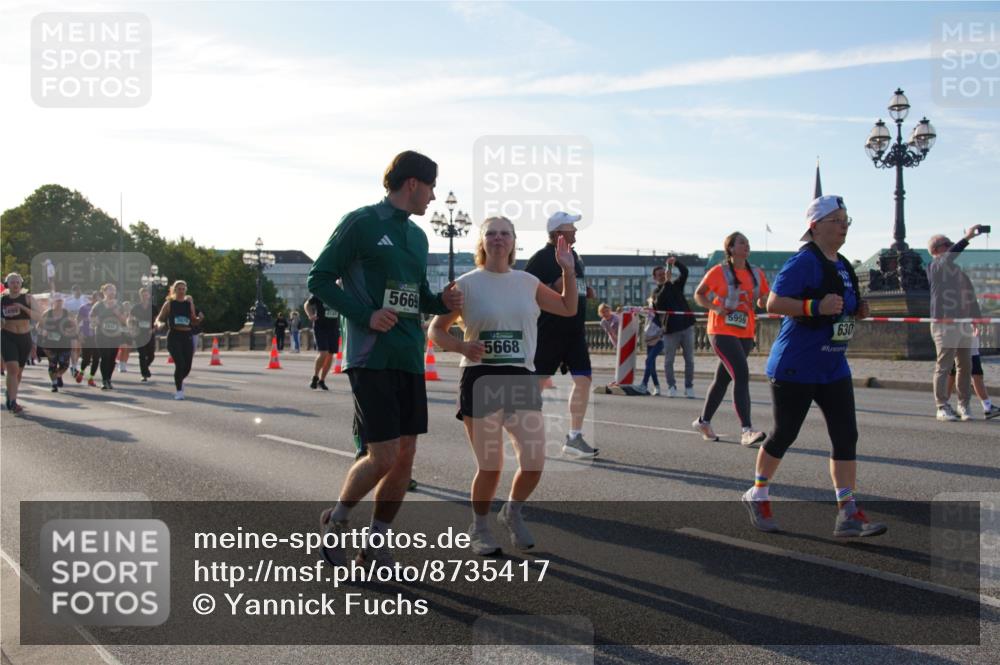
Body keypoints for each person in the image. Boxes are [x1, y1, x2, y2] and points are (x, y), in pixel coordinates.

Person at [310, 150, 463, 567]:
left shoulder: (417, 236)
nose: (433, 197)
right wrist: (366, 315)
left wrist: (441, 300)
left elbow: (415, 297)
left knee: (406, 455)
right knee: (383, 455)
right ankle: (337, 519)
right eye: (431, 187)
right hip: (370, 354)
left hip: (409, 354)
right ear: (413, 183)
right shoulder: (361, 222)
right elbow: (319, 278)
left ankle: (377, 541)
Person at [429, 216, 577, 554]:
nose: (498, 238)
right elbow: (435, 330)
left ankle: (511, 511)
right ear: (482, 242)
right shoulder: (465, 284)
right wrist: (461, 346)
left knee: (534, 461)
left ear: (513, 242)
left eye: (505, 233)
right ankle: (479, 527)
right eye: (491, 233)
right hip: (481, 378)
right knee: (491, 464)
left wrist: (567, 270)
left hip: (520, 377)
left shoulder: (527, 282)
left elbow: (568, 308)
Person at [742, 194, 886, 538]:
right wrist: (813, 306)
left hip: (833, 366)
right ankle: (758, 492)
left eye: (847, 220)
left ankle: (847, 511)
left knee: (846, 436)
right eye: (837, 220)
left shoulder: (844, 264)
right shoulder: (803, 261)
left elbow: (843, 307)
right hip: (796, 364)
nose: (844, 226)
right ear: (815, 226)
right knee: (785, 434)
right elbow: (774, 302)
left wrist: (857, 310)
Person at [524, 211, 598, 458]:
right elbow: (526, 290)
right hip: (549, 332)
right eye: (571, 228)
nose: (575, 231)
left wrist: (585, 289)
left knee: (584, 380)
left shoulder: (575, 256)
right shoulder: (542, 258)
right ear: (558, 233)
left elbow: (571, 287)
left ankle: (574, 437)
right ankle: (524, 431)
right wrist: (550, 288)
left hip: (575, 332)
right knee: (538, 384)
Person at [692, 232, 769, 446]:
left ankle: (703, 421)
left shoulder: (756, 272)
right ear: (731, 248)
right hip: (721, 330)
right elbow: (699, 294)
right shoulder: (719, 272)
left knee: (723, 379)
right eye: (742, 243)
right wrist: (716, 307)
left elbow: (763, 298)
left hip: (745, 331)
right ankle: (747, 430)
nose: (746, 245)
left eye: (747, 242)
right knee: (741, 374)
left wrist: (765, 302)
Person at [927, 225, 989, 422]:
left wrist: (976, 317)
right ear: (936, 250)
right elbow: (949, 257)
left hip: (963, 323)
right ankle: (942, 406)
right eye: (947, 245)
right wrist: (968, 237)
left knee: (965, 366)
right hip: (945, 323)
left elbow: (968, 293)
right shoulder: (935, 265)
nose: (950, 248)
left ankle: (964, 405)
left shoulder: (957, 271)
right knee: (944, 365)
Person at [654, 257, 696, 398]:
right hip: (670, 330)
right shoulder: (656, 293)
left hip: (686, 326)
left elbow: (685, 272)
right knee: (669, 361)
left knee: (689, 359)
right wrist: (666, 282)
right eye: (659, 275)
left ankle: (689, 386)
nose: (662, 276)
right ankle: (671, 386)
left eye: (664, 273)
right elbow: (659, 304)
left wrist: (675, 263)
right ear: (655, 278)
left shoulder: (677, 285)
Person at [1, 273, 38, 413]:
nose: (15, 284)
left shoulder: (28, 299)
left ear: (21, 284)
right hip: (7, 336)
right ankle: (13, 401)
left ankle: (10, 393)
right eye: (12, 282)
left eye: (17, 282)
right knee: (12, 369)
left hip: (24, 338)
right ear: (7, 284)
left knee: (18, 373)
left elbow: (39, 317)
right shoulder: (2, 300)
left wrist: (23, 308)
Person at [156, 280, 198, 400]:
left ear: (186, 290)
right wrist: (159, 324)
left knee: (187, 366)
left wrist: (199, 319)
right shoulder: (169, 303)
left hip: (187, 336)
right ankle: (179, 391)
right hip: (174, 336)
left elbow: (193, 320)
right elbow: (160, 318)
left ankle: (179, 379)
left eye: (183, 289)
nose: (181, 291)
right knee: (180, 364)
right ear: (174, 290)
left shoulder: (189, 303)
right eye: (179, 289)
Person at [946, 328, 999, 419]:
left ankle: (987, 406)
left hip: (969, 336)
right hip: (959, 334)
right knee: (953, 373)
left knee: (974, 372)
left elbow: (974, 315)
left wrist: (976, 326)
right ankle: (944, 404)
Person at [89, 283, 128, 390]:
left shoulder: (119, 305)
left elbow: (125, 320)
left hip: (115, 334)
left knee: (112, 358)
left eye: (114, 290)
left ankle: (109, 379)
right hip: (101, 335)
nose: (112, 292)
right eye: (109, 290)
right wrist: (95, 321)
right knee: (105, 356)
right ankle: (104, 380)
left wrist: (118, 314)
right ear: (104, 292)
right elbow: (91, 318)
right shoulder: (98, 305)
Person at [38, 294, 75, 392]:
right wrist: (43, 332)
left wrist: (70, 331)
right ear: (52, 302)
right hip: (50, 343)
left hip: (64, 342)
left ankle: (58, 375)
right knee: (52, 364)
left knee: (65, 365)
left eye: (60, 301)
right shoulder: (47, 313)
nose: (59, 303)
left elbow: (75, 326)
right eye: (57, 301)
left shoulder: (67, 314)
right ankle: (54, 384)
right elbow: (39, 326)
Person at [305, 294, 339, 391]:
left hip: (333, 327)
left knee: (330, 355)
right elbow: (307, 304)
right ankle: (315, 376)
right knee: (323, 352)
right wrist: (310, 315)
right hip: (320, 327)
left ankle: (322, 380)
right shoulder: (321, 290)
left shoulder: (340, 293)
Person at [131, 288, 157, 382]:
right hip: (139, 333)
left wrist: (154, 329)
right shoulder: (136, 307)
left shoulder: (153, 307)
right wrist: (132, 327)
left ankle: (145, 368)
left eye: (146, 295)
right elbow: (130, 319)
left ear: (149, 296)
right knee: (142, 354)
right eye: (143, 295)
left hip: (150, 333)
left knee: (151, 355)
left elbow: (157, 320)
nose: (145, 297)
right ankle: (144, 374)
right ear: (140, 296)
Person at [640, 293, 663, 395]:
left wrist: (649, 308)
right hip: (650, 339)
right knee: (651, 364)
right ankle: (657, 387)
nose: (650, 306)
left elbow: (651, 312)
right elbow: (640, 311)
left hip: (659, 340)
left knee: (648, 360)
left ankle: (644, 384)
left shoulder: (659, 313)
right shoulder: (649, 312)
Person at [76, 290, 100, 386]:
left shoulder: (103, 309)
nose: (98, 300)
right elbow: (77, 321)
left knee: (96, 358)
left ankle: (91, 378)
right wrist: (78, 334)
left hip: (98, 337)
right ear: (93, 298)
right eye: (97, 298)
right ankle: (81, 372)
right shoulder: (84, 307)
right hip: (86, 335)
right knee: (86, 358)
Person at [64, 284, 87, 378]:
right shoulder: (69, 302)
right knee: (74, 347)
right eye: (75, 290)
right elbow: (65, 313)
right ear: (72, 291)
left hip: (82, 328)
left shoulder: (84, 300)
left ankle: (74, 365)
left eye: (78, 290)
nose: (77, 291)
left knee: (78, 349)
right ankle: (73, 367)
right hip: (72, 327)